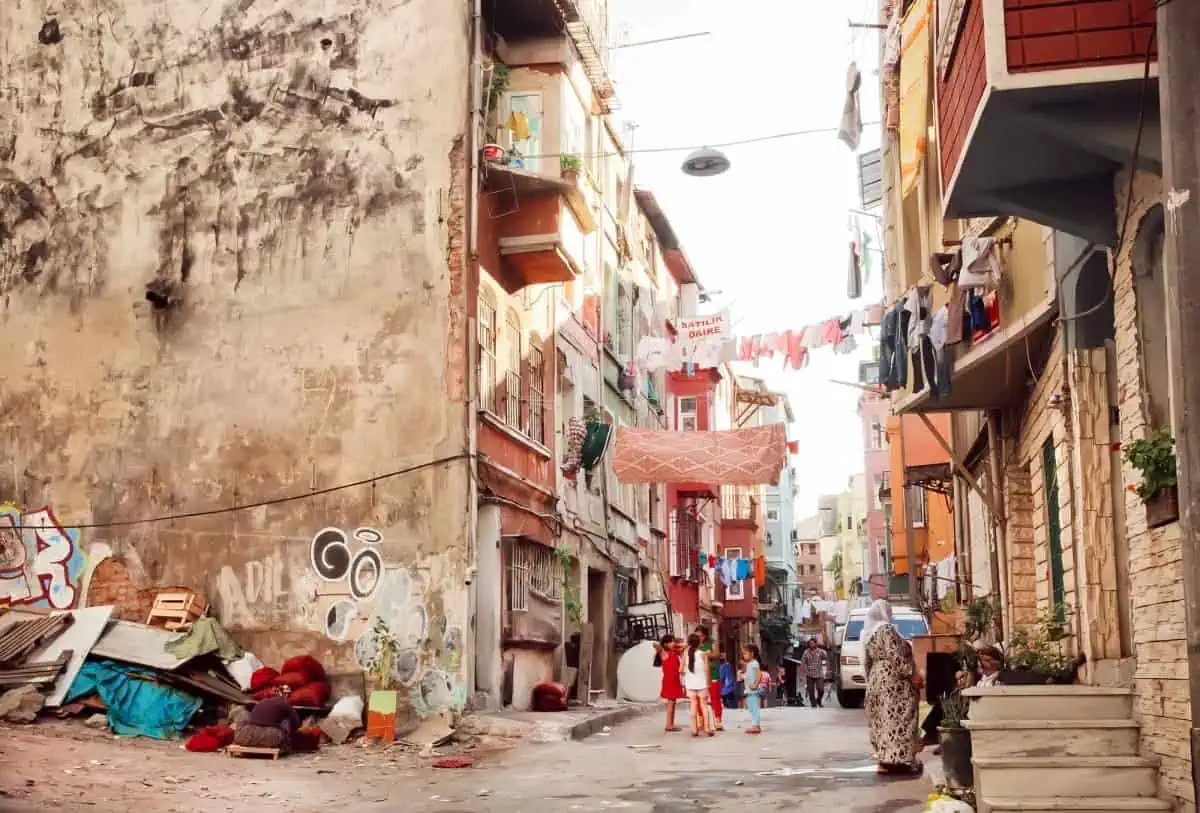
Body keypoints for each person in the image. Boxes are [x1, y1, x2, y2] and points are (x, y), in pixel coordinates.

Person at [863, 599, 922, 776]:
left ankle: (885, 760)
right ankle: (899, 761)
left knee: (881, 721)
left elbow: (867, 662)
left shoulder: (868, 634)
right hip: (892, 682)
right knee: (897, 719)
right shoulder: (886, 630)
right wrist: (912, 674)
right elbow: (896, 656)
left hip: (876, 679)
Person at [234, 694, 301, 753]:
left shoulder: (262, 702)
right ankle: (286, 746)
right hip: (270, 738)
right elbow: (296, 722)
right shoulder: (285, 704)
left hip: (244, 736)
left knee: (245, 714)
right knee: (286, 720)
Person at [683, 633, 715, 737]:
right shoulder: (703, 654)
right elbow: (706, 669)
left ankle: (694, 730)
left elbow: (680, 669)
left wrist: (687, 675)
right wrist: (708, 681)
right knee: (704, 706)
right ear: (699, 643)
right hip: (701, 683)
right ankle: (707, 728)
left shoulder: (685, 654)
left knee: (693, 705)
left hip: (690, 683)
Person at [653, 634, 684, 732]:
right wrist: (663, 644)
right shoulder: (664, 652)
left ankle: (671, 724)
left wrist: (676, 645)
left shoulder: (674, 652)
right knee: (671, 703)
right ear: (666, 644)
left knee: (673, 702)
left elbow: (686, 645)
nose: (673, 643)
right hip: (669, 680)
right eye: (671, 641)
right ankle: (668, 725)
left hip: (675, 680)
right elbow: (655, 644)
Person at [696, 626, 724, 731]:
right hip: (700, 675)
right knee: (699, 698)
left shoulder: (711, 642)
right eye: (698, 636)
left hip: (713, 673)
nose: (700, 638)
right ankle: (701, 720)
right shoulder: (695, 644)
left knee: (715, 697)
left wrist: (707, 654)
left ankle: (717, 720)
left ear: (706, 635)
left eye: (702, 636)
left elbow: (717, 654)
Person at [741, 644, 765, 735]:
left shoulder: (754, 663)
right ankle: (756, 725)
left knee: (754, 708)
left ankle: (755, 726)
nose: (744, 655)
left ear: (752, 654)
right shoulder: (749, 664)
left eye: (746, 653)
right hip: (749, 689)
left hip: (753, 690)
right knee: (751, 708)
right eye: (743, 654)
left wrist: (755, 684)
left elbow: (759, 674)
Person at [801, 638, 829, 708]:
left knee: (821, 689)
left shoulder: (820, 651)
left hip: (819, 674)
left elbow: (827, 659)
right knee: (811, 690)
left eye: (813, 643)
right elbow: (802, 663)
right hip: (809, 674)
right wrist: (802, 674)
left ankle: (819, 700)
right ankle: (813, 704)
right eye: (810, 643)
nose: (811, 644)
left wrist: (828, 670)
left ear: (816, 644)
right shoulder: (806, 652)